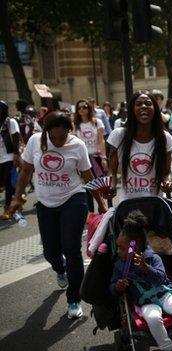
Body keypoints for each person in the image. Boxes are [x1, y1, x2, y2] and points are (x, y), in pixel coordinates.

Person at [10, 111, 107, 319]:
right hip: (45, 203)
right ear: (46, 132)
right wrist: (17, 197)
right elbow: (26, 171)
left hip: (73, 198)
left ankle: (74, 299)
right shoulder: (35, 141)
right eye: (53, 137)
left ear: (69, 132)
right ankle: (59, 267)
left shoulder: (77, 146)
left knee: (72, 248)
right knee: (50, 251)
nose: (57, 141)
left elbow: (87, 175)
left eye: (62, 137)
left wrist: (101, 203)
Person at [110, 210, 172, 351]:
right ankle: (167, 347)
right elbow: (112, 287)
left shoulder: (153, 258)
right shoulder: (120, 266)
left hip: (164, 295)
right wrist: (118, 286)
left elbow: (161, 278)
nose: (117, 251)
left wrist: (146, 268)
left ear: (132, 247)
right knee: (153, 319)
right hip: (145, 302)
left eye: (121, 248)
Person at [107, 92, 172, 202]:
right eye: (138, 104)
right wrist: (111, 185)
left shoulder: (165, 138)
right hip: (127, 205)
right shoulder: (118, 136)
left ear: (155, 109)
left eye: (148, 103)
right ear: (132, 110)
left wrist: (167, 182)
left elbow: (166, 172)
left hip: (156, 205)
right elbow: (112, 170)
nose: (143, 106)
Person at [73, 99, 110, 212]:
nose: (82, 110)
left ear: (89, 108)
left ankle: (107, 210)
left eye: (84, 107)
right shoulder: (75, 125)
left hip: (96, 157)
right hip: (83, 159)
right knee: (88, 187)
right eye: (79, 108)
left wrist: (103, 158)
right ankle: (91, 213)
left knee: (102, 185)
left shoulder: (97, 122)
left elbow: (101, 141)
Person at [0, 100, 20, 219]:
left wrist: (16, 156)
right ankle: (19, 197)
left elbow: (16, 138)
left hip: (9, 156)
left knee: (8, 183)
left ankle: (8, 209)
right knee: (4, 184)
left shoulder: (10, 122)